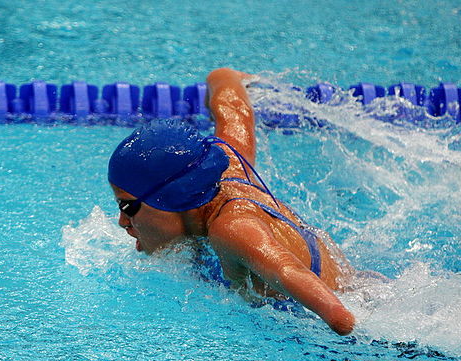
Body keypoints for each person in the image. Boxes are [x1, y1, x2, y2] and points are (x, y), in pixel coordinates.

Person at [108, 68, 356, 335]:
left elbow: (286, 269)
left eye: (128, 207)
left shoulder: (232, 228)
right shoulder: (228, 168)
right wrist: (224, 76)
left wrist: (337, 316)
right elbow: (234, 110)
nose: (122, 222)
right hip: (354, 284)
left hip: (344, 324)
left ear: (171, 199)